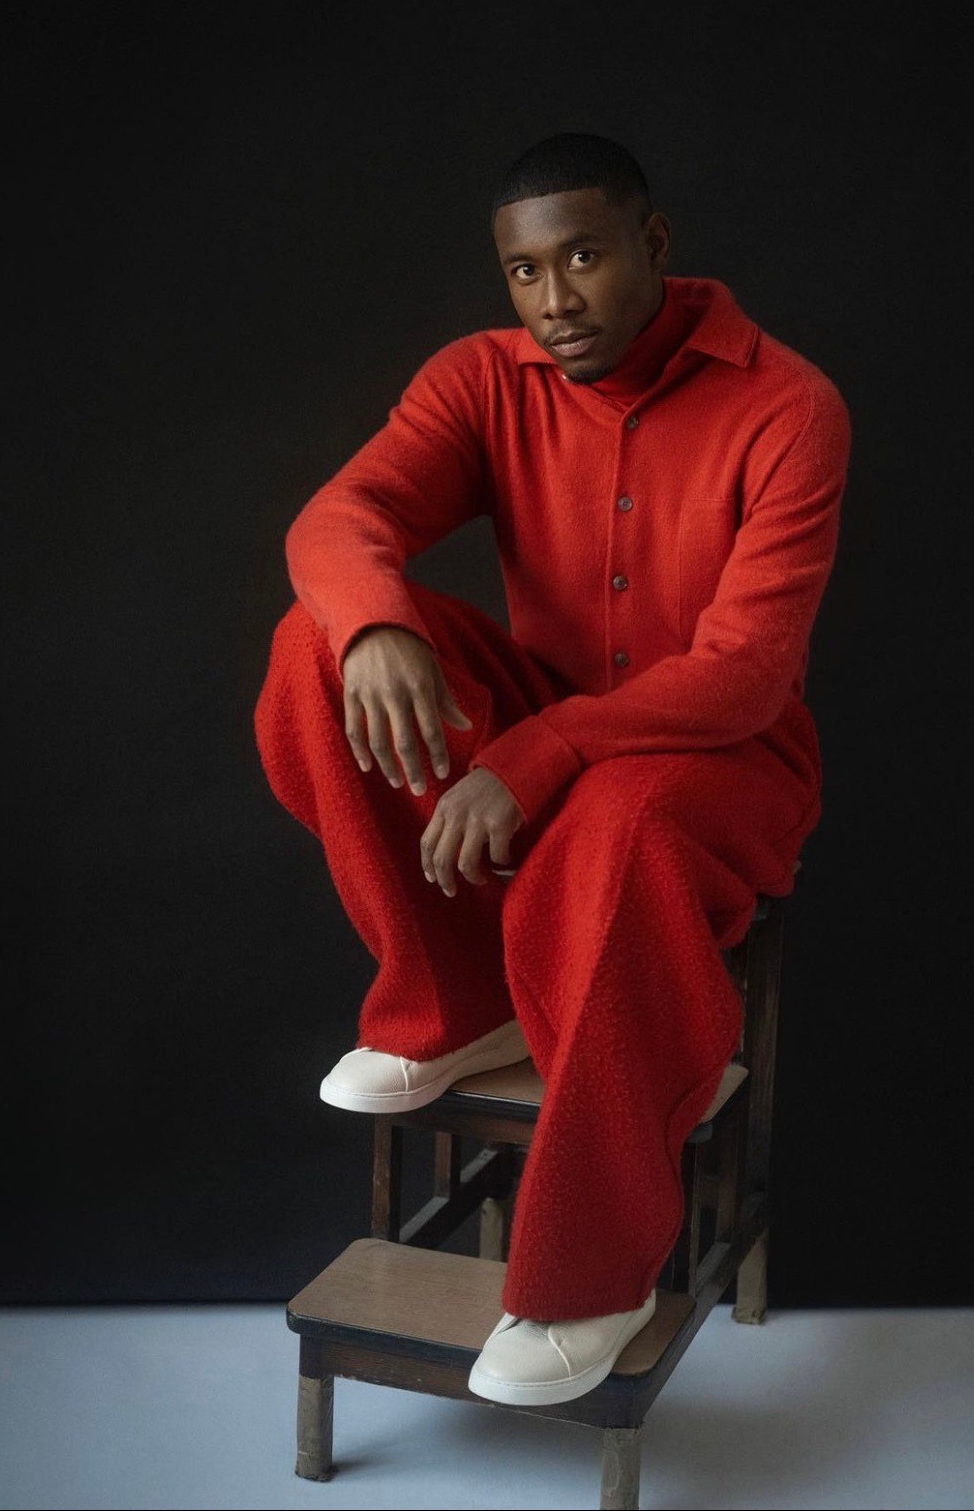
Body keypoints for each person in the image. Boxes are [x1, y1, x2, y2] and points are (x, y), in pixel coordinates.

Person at [253, 131, 851, 1407]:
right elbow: (339, 519)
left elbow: (746, 671)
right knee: (317, 641)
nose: (555, 299)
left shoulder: (789, 405)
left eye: (584, 257)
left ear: (655, 243)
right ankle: (457, 999)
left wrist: (542, 750)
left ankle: (590, 1274)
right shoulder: (482, 379)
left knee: (620, 817)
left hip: (723, 758)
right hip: (554, 724)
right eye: (526, 272)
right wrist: (373, 626)